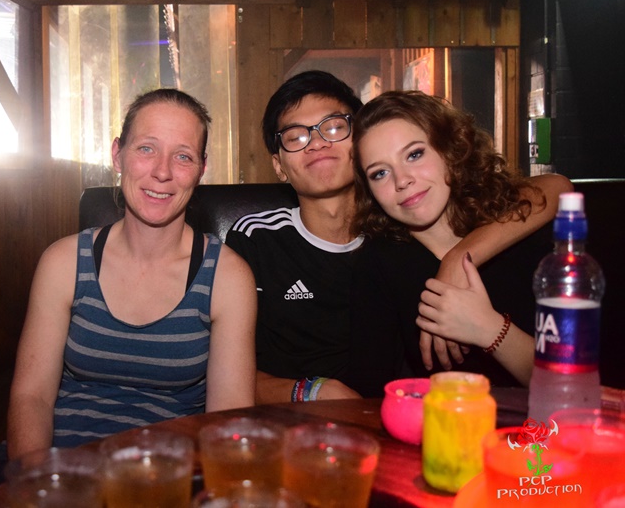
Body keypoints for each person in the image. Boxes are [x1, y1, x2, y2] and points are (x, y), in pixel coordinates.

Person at [0, 88, 256, 506]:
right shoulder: (63, 261)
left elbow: (227, 422)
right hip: (55, 461)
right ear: (118, 155)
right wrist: (43, 485)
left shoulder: (227, 276)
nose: (162, 172)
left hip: (162, 476)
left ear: (201, 169)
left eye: (183, 156)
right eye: (146, 148)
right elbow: (32, 397)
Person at [226, 71, 569, 404]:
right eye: (295, 136)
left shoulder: (505, 231)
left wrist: (459, 260)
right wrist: (314, 393)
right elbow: (229, 371)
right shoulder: (375, 256)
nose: (317, 143)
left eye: (333, 127)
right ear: (278, 165)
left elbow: (554, 188)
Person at [345, 90, 571, 397]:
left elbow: (572, 389)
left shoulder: (523, 230)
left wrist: (489, 328)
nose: (402, 180)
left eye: (414, 154)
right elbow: (369, 396)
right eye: (380, 173)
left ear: (449, 150)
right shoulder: (378, 264)